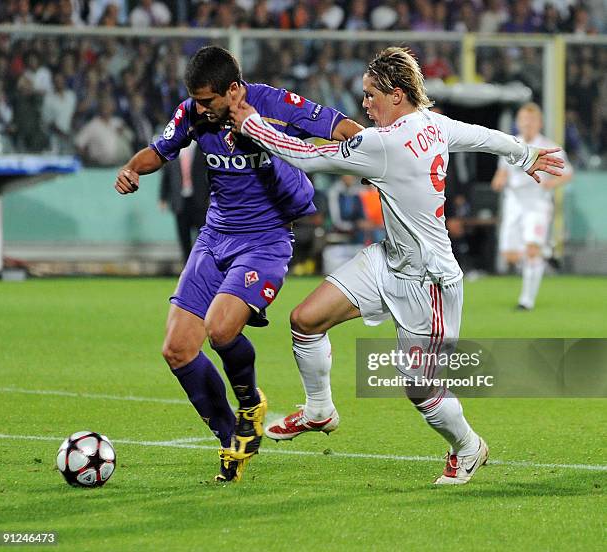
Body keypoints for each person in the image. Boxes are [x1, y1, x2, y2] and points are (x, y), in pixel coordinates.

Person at [230, 47, 564, 485]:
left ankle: (467, 447)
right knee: (305, 320)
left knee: (419, 388)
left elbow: (306, 157)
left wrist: (252, 124)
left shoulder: (384, 143)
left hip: (430, 284)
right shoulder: (434, 124)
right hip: (389, 261)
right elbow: (482, 137)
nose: (365, 104)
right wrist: (523, 154)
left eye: (371, 95)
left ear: (398, 94)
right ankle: (319, 409)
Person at [114, 45, 361, 482]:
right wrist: (133, 168)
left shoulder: (276, 104)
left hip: (265, 241)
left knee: (222, 328)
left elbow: (341, 127)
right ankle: (231, 436)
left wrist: (375, 155)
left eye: (208, 101)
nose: (201, 109)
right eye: (196, 101)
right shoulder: (193, 112)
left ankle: (250, 403)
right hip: (215, 237)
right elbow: (159, 149)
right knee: (176, 349)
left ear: (233, 90)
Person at [491, 103, 573, 310]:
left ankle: (526, 301)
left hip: (537, 204)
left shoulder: (548, 147)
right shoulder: (510, 146)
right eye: (523, 120)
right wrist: (498, 181)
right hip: (514, 203)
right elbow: (502, 173)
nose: (526, 124)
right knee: (509, 255)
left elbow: (567, 173)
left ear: (539, 123)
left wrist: (551, 183)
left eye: (531, 121)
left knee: (530, 249)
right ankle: (546, 253)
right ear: (518, 123)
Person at [159, 141, 210, 263]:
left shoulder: (203, 148)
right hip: (180, 201)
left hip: (199, 200)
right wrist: (163, 197)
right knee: (184, 237)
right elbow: (167, 176)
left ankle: (202, 266)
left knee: (202, 236)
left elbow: (211, 174)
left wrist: (210, 195)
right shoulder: (173, 150)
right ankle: (187, 267)